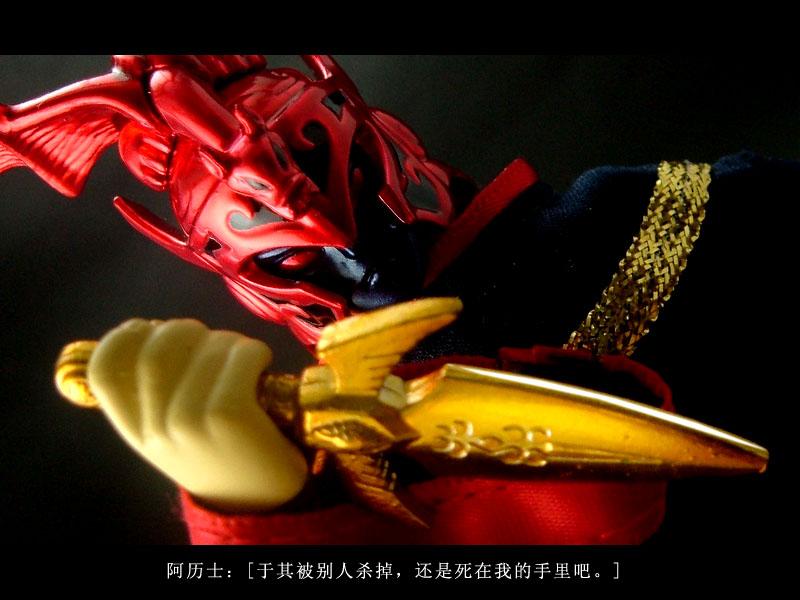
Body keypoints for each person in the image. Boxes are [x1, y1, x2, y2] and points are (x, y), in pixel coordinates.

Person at [0, 55, 786, 546]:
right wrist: (266, 509)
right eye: (287, 248)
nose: (337, 240)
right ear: (241, 275)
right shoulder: (360, 449)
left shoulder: (633, 215)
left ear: (383, 135)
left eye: (333, 168)